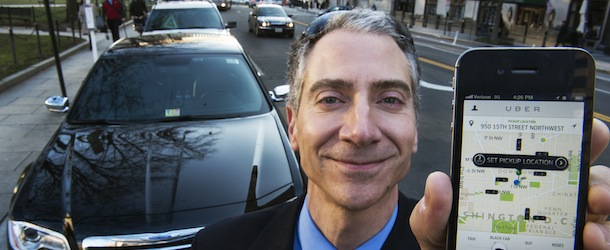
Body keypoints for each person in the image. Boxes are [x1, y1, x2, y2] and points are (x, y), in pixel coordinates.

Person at [192, 8, 610, 249]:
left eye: (390, 99)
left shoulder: (449, 245)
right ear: (293, 125)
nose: (360, 131)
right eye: (331, 99)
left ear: (413, 129)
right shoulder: (216, 246)